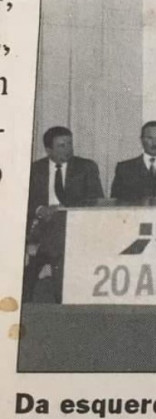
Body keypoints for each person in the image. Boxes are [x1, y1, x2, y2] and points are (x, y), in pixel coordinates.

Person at [26, 126, 105, 301]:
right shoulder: (35, 169)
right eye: (62, 145)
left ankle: (46, 264)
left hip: (72, 222)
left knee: (60, 222)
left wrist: (62, 209)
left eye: (70, 144)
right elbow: (23, 200)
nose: (68, 149)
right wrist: (40, 210)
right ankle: (51, 267)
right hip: (40, 223)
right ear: (48, 150)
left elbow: (96, 199)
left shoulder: (86, 167)